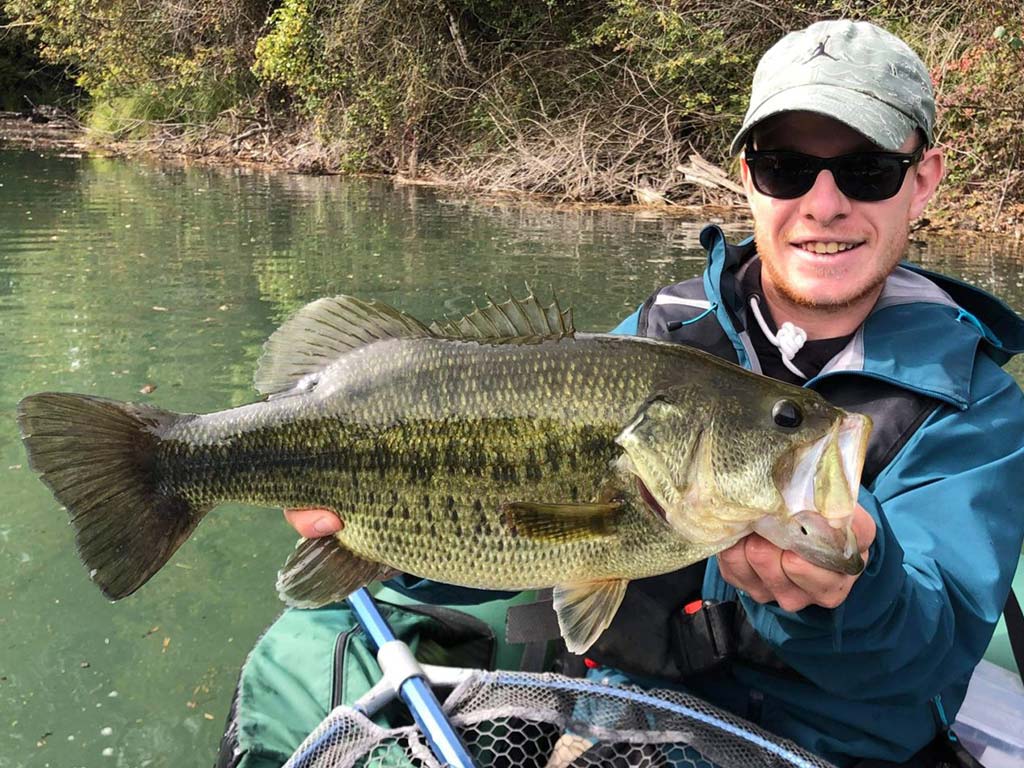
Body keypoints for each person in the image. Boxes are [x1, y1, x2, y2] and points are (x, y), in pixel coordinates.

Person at [283, 19, 1024, 767]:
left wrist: (858, 592)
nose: (824, 203)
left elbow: (931, 646)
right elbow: (516, 528)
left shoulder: (974, 407)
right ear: (745, 177)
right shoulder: (658, 337)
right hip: (620, 729)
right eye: (785, 169)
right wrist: (381, 539)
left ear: (923, 178)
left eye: (867, 171)